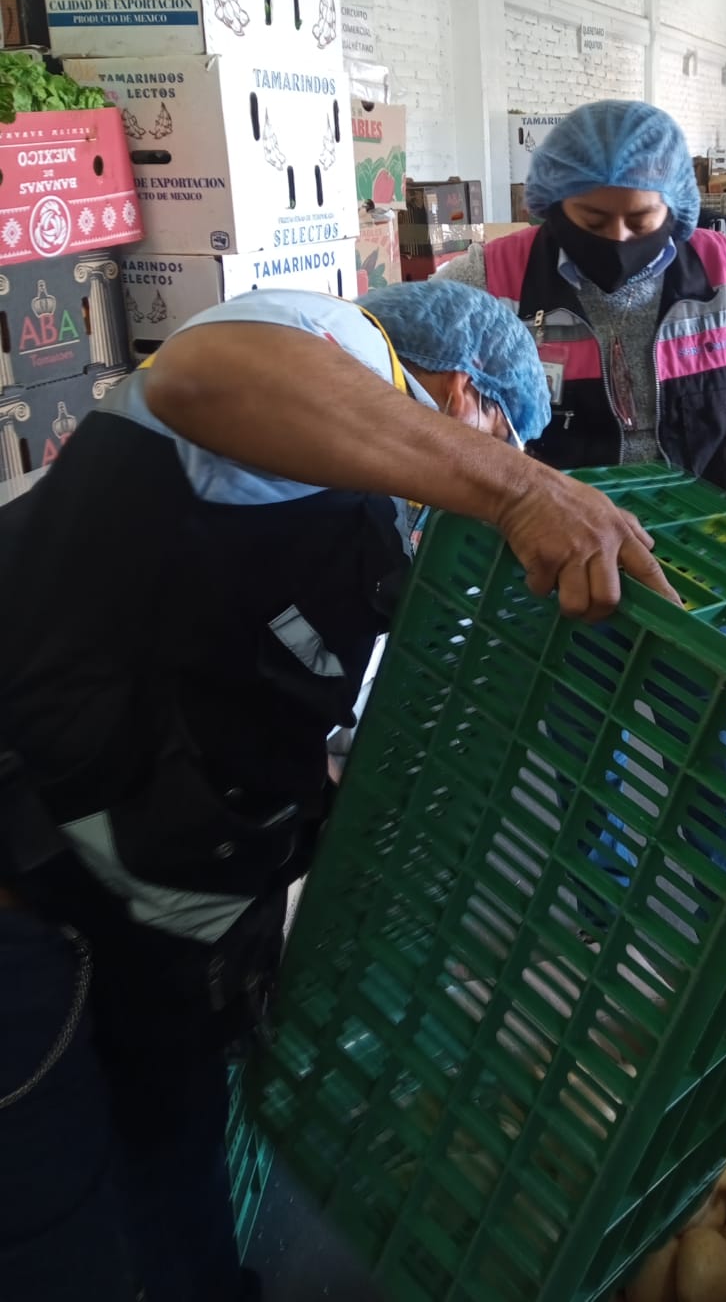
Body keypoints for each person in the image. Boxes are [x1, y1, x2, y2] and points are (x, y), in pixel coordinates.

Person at [0, 280, 678, 1302]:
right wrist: (516, 489)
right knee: (52, 1227)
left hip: (149, 906)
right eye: (504, 435)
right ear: (463, 392)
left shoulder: (356, 505)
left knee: (169, 1149)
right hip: (29, 871)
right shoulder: (341, 348)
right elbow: (208, 372)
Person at [435, 100, 726, 509]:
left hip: (704, 519)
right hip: (557, 523)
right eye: (593, 221)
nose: (618, 238)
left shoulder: (717, 269)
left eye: (640, 220)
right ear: (554, 201)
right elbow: (397, 363)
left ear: (674, 204)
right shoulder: (493, 276)